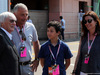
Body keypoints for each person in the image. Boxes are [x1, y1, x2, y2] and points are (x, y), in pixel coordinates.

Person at [12, 3, 40, 75]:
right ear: (14, 15)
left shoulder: (31, 26)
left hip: (28, 67)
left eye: (26, 15)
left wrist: (37, 59)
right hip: (13, 66)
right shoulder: (10, 27)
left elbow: (36, 42)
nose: (25, 17)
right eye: (22, 15)